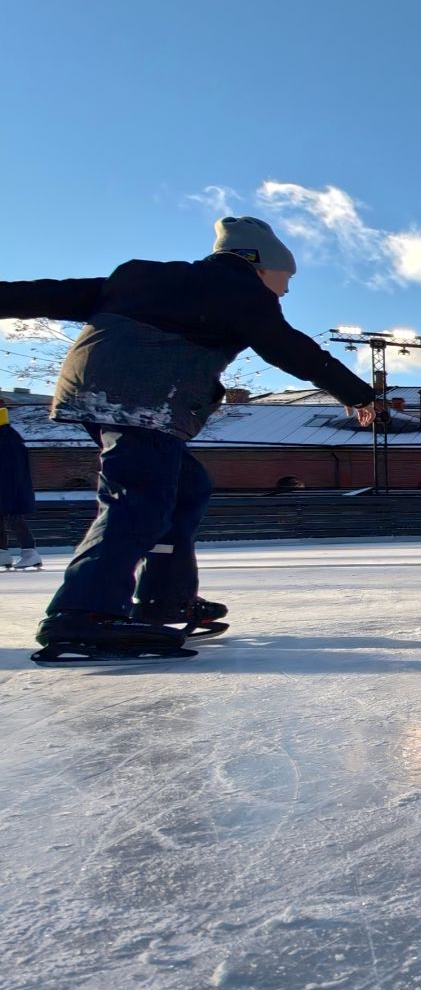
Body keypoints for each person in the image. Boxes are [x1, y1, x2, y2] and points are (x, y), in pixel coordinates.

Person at [0, 217, 377, 660]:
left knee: (184, 487)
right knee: (138, 497)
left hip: (93, 390)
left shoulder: (141, 276)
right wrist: (360, 394)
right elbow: (290, 347)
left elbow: (44, 294)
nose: (286, 290)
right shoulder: (242, 292)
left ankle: (165, 597)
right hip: (143, 399)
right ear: (258, 265)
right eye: (286, 277)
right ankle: (84, 612)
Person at [0, 399, 43, 571]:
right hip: (9, 485)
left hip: (9, 486)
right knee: (6, 516)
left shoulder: (7, 437)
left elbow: (12, 467)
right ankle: (4, 552)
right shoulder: (8, 435)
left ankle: (29, 552)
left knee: (13, 516)